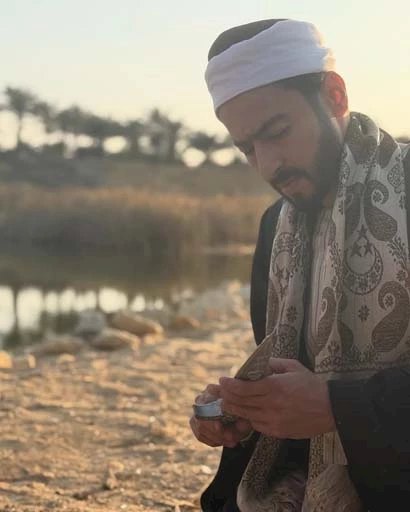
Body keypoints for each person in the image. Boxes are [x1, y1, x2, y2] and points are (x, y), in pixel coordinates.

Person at [189, 18, 410, 512]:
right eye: (248, 148)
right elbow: (293, 380)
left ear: (334, 95)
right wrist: (243, 411)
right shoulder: (276, 228)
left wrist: (340, 409)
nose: (268, 165)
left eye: (277, 132)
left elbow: (323, 405)